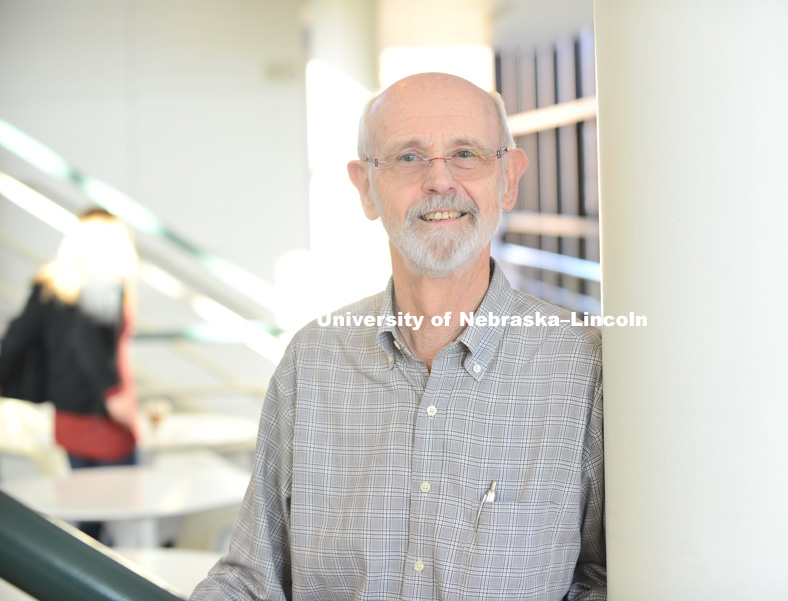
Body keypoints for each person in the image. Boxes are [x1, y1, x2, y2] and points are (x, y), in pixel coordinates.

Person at [192, 72, 605, 600]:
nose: (439, 181)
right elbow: (252, 579)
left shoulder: (582, 368)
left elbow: (608, 578)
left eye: (466, 154)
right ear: (366, 187)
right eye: (409, 157)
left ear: (509, 178)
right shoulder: (310, 364)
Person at [0, 208, 140, 537]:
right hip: (102, 418)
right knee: (121, 511)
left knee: (87, 516)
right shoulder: (104, 283)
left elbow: (17, 338)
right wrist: (114, 396)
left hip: (67, 416)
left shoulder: (50, 284)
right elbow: (85, 342)